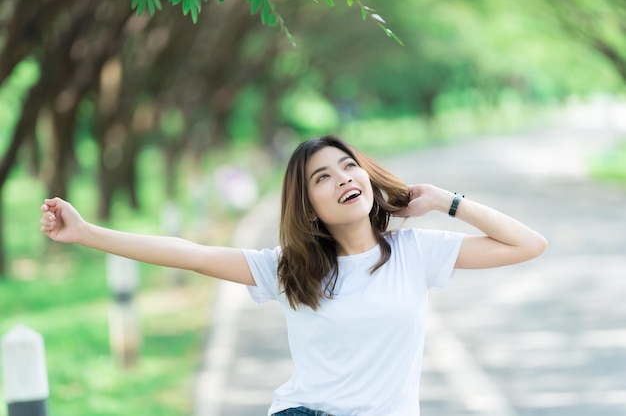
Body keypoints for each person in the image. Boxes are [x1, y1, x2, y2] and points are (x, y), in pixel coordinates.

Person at [40, 135, 547, 416]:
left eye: (349, 167)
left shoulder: (413, 252)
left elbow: (527, 244)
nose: (344, 179)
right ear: (309, 209)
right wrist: (86, 233)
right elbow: (188, 254)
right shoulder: (289, 268)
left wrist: (444, 201)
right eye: (323, 178)